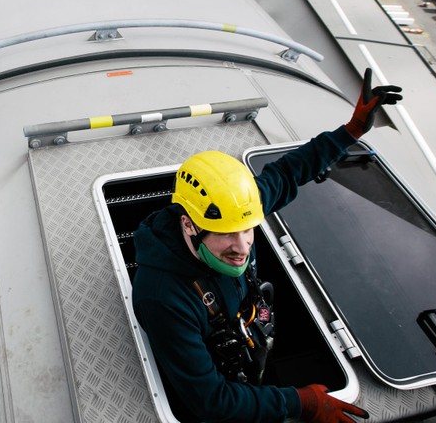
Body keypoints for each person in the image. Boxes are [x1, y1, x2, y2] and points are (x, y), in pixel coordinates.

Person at [132, 69, 402, 423]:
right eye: (227, 234)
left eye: (249, 230)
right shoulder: (163, 297)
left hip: (245, 336)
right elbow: (210, 401)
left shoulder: (236, 207)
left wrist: (350, 131)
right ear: (189, 224)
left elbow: (290, 171)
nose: (242, 246)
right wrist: (299, 402)